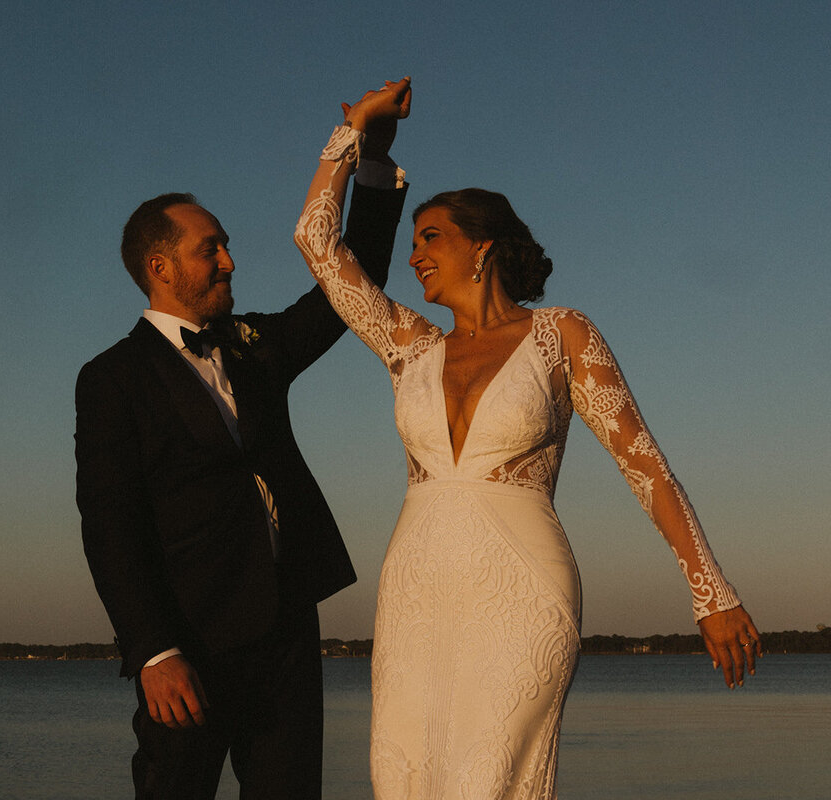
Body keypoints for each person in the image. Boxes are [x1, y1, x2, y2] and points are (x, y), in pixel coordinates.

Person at [294, 78, 763, 800]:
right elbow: (316, 244)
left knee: (492, 777)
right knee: (400, 777)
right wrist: (357, 133)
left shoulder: (563, 334)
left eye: (431, 238)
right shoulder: (409, 347)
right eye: (415, 240)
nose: (415, 255)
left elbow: (646, 468)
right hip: (415, 588)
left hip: (521, 586)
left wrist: (711, 591)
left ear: (481, 247)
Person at [75, 118, 408, 799]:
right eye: (211, 249)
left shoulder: (258, 345)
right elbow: (110, 524)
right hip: (189, 644)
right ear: (159, 267)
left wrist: (369, 163)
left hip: (287, 632)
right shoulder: (113, 378)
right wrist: (153, 650)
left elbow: (355, 288)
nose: (230, 260)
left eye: (225, 245)